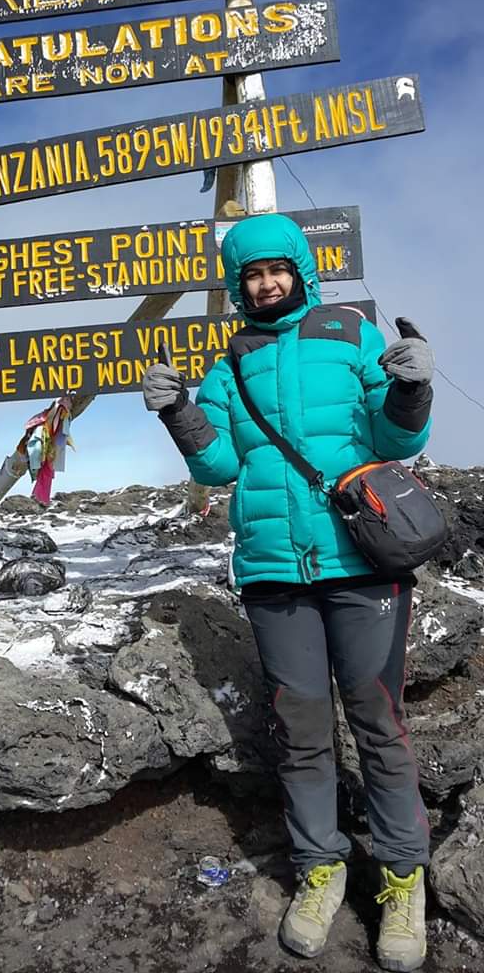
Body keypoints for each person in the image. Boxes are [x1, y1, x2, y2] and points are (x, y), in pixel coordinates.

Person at [142, 213, 434, 973]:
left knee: (378, 721)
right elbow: (216, 468)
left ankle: (404, 880)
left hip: (363, 566)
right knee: (301, 731)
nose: (266, 284)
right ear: (238, 285)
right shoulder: (230, 362)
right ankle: (321, 869)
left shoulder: (349, 334)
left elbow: (398, 440)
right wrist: (180, 412)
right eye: (251, 275)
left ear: (300, 269)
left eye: (277, 269)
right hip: (274, 572)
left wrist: (411, 387)